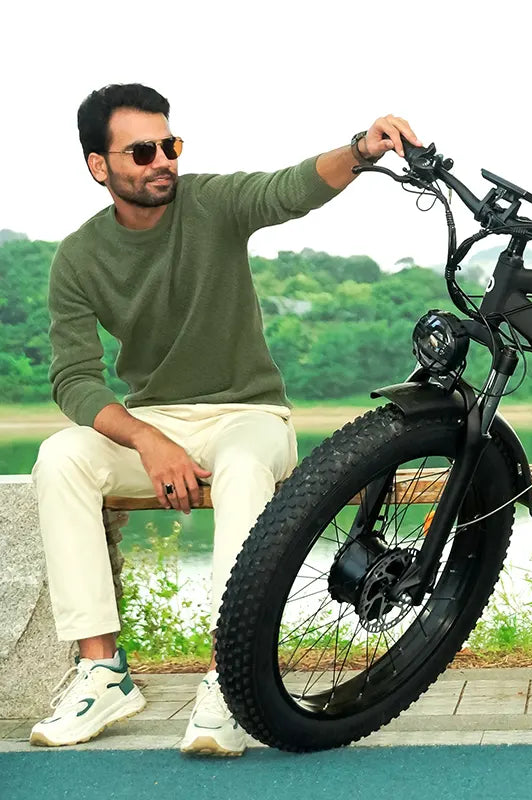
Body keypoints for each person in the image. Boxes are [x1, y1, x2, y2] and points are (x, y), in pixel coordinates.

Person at [28, 83, 421, 756]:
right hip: (156, 421)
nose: (163, 161)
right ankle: (100, 671)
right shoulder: (79, 257)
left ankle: (227, 676)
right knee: (60, 458)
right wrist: (148, 441)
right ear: (100, 166)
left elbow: (288, 189)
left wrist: (361, 149)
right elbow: (73, 380)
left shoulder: (209, 204)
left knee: (241, 467)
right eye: (143, 150)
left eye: (170, 145)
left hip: (250, 415)